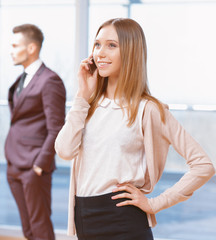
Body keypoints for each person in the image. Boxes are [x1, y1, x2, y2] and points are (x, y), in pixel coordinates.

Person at [55, 18, 215, 240]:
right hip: (85, 218)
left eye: (112, 45)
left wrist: (154, 203)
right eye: (97, 44)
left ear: (130, 52)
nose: (100, 53)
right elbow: (64, 150)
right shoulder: (87, 106)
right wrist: (82, 95)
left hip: (124, 221)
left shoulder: (148, 109)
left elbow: (203, 166)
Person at [4, 23, 66, 240]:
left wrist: (40, 164)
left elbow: (56, 128)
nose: (10, 50)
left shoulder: (50, 80)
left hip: (34, 167)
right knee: (29, 229)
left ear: (31, 48)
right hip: (15, 164)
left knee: (40, 228)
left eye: (14, 45)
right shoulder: (21, 79)